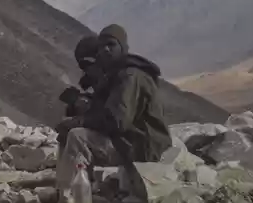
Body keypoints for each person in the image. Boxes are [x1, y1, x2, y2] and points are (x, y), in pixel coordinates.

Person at [55, 24, 172, 195]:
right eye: (102, 47)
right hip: (130, 139)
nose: (106, 50)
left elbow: (116, 121)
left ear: (122, 47)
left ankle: (69, 195)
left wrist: (80, 119)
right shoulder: (117, 75)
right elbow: (108, 111)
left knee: (77, 136)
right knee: (69, 132)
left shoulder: (129, 77)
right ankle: (69, 189)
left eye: (111, 45)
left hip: (142, 145)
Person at [56, 36, 102, 149]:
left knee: (73, 134)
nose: (85, 70)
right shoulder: (92, 79)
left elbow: (112, 117)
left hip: (123, 140)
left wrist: (82, 119)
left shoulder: (116, 78)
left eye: (86, 65)